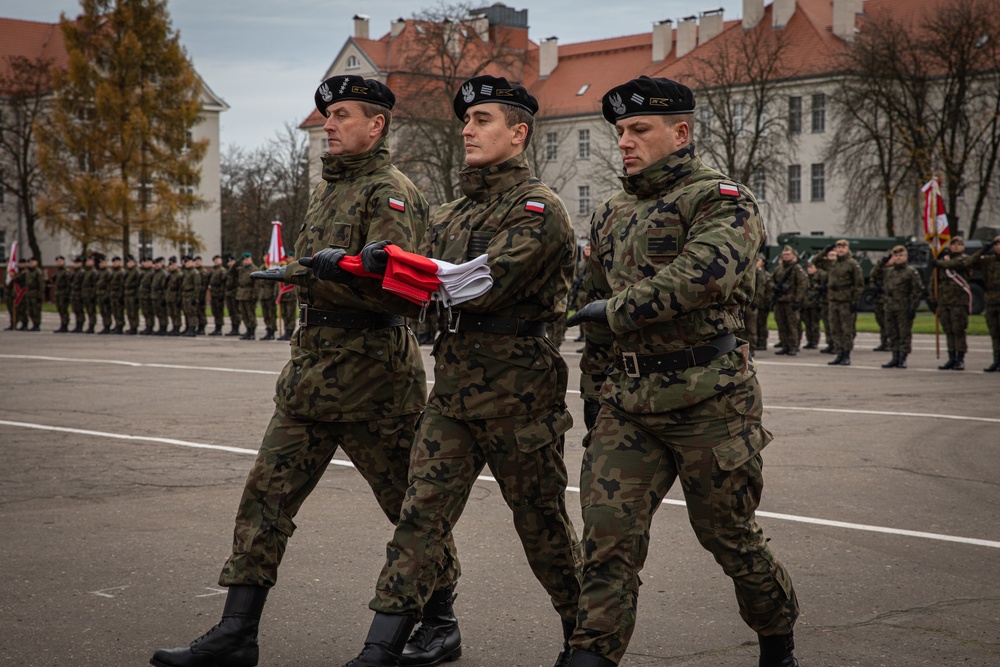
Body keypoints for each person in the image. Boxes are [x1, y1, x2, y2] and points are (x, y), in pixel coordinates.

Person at [150, 75, 434, 667]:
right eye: (325, 115)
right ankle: (236, 634)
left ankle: (440, 620)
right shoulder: (327, 191)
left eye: (342, 115)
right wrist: (310, 273)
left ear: (376, 125)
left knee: (408, 508)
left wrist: (312, 273)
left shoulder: (392, 193)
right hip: (309, 381)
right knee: (265, 499)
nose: (327, 124)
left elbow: (401, 294)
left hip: (373, 383)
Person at [341, 74, 581, 667]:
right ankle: (380, 648)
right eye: (466, 122)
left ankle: (587, 641)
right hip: (452, 392)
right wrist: (358, 267)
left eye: (483, 122)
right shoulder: (448, 212)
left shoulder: (538, 210)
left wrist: (394, 270)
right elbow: (409, 283)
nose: (468, 131)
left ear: (518, 134)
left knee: (543, 529)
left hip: (518, 397)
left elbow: (476, 283)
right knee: (418, 519)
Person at [567, 75, 799, 667]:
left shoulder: (722, 199)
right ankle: (591, 656)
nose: (624, 141)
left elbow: (702, 277)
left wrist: (614, 311)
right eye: (619, 130)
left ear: (681, 132)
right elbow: (592, 309)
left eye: (639, 129)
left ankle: (777, 640)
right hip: (630, 402)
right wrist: (595, 390)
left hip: (710, 399)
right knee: (606, 541)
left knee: (730, 537)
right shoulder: (614, 210)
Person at [813, 239, 863, 365]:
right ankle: (839, 353)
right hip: (833, 300)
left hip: (846, 301)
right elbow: (816, 261)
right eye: (838, 247)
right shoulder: (833, 264)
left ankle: (846, 355)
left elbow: (858, 285)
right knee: (834, 328)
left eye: (843, 247)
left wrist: (855, 302)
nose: (840, 250)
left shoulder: (852, 264)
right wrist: (826, 250)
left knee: (846, 329)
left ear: (847, 249)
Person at [933, 236, 974, 370]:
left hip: (959, 301)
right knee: (948, 330)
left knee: (958, 330)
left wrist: (938, 262)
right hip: (944, 301)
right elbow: (934, 281)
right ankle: (951, 357)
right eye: (953, 244)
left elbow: (955, 265)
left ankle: (960, 358)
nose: (956, 246)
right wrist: (933, 299)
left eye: (959, 244)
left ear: (963, 247)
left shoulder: (966, 259)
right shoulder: (942, 261)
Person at [880, 246, 922, 369]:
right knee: (892, 333)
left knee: (904, 334)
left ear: (906, 257)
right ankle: (895, 357)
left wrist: (913, 308)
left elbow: (917, 291)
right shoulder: (889, 272)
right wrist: (883, 261)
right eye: (896, 256)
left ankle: (903, 358)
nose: (898, 258)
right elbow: (876, 273)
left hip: (904, 307)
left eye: (901, 256)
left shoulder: (911, 272)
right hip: (890, 306)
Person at [771, 246, 806, 356]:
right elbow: (770, 280)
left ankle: (793, 346)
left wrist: (797, 300)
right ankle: (785, 345)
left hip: (790, 301)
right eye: (784, 255)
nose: (786, 256)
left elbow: (801, 285)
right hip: (780, 301)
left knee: (792, 325)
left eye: (788, 254)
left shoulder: (796, 268)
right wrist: (774, 287)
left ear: (793, 256)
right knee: (781, 324)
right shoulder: (779, 269)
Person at [973, 235, 1000, 372]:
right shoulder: (988, 261)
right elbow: (971, 261)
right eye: (996, 244)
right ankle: (996, 360)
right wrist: (984, 249)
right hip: (991, 300)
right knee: (994, 332)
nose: (998, 246)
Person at [801, 260, 826, 349]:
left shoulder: (819, 277)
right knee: (808, 324)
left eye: (811, 267)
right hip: (807, 304)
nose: (809, 269)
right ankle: (809, 341)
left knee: (814, 324)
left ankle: (815, 341)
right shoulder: (806, 278)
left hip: (815, 304)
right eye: (808, 268)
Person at [235, 253, 257, 340]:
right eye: (244, 260)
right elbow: (232, 271)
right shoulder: (241, 269)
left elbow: (256, 285)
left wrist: (254, 296)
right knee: (244, 314)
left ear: (251, 259)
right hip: (241, 294)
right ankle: (248, 330)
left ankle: (252, 331)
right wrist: (238, 261)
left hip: (249, 294)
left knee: (250, 314)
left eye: (247, 259)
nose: (245, 261)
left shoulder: (254, 269)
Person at [207, 254, 227, 336]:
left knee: (219, 312)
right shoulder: (213, 270)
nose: (216, 261)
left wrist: (222, 294)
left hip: (219, 293)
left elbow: (223, 283)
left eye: (218, 260)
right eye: (215, 260)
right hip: (213, 293)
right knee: (215, 311)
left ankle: (219, 328)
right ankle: (216, 327)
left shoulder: (222, 270)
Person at [52, 255, 72, 333]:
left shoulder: (66, 272)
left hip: (64, 293)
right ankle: (62, 324)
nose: (59, 263)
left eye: (60, 261)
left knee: (64, 310)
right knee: (60, 309)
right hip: (58, 293)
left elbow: (68, 284)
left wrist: (67, 294)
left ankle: (65, 325)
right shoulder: (58, 271)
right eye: (57, 261)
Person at [225, 255, 242, 336]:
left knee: (236, 311)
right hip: (228, 293)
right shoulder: (227, 271)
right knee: (231, 312)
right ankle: (233, 327)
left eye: (232, 261)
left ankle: (236, 328)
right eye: (229, 261)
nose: (230, 263)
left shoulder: (236, 270)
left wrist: (238, 261)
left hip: (234, 292)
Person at [123, 255, 141, 334]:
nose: (128, 264)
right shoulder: (128, 272)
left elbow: (138, 285)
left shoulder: (136, 272)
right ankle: (131, 326)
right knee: (129, 312)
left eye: (130, 262)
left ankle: (134, 327)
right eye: (128, 262)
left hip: (133, 294)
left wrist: (137, 296)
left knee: (134, 312)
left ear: (134, 262)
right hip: (127, 294)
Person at [70, 256, 86, 333]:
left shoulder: (81, 272)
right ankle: (77, 325)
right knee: (76, 310)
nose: (75, 264)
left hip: (79, 293)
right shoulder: (75, 272)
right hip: (74, 294)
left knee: (80, 310)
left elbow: (83, 285)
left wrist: (82, 295)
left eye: (77, 263)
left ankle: (80, 325)